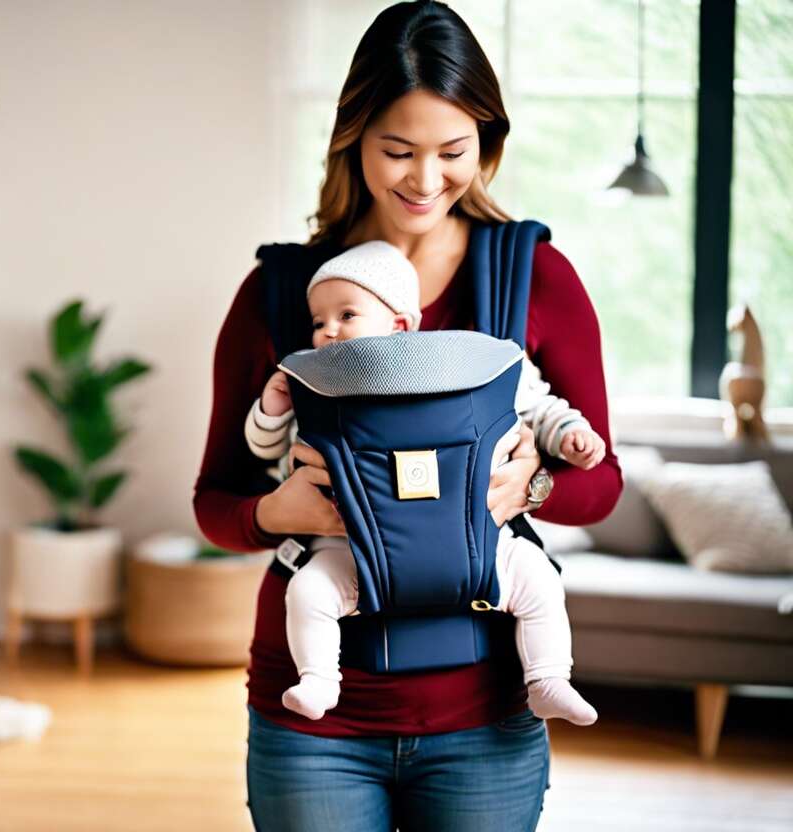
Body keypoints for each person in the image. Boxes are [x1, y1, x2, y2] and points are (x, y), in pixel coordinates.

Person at [192, 2, 623, 829]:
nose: (425, 181)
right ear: (353, 138)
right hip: (312, 720)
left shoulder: (534, 276)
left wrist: (529, 484)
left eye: (453, 152)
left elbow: (601, 482)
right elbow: (214, 500)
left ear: (485, 145)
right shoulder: (282, 293)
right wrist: (275, 512)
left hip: (485, 718)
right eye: (398, 151)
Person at [244, 239, 603, 725]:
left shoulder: (468, 362)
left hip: (476, 540)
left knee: (538, 577)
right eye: (318, 322)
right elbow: (264, 448)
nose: (328, 331)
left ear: (399, 324)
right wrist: (272, 406)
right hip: (350, 545)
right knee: (308, 590)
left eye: (346, 315)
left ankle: (548, 679)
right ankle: (318, 680)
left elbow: (536, 404)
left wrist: (570, 436)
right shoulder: (313, 385)